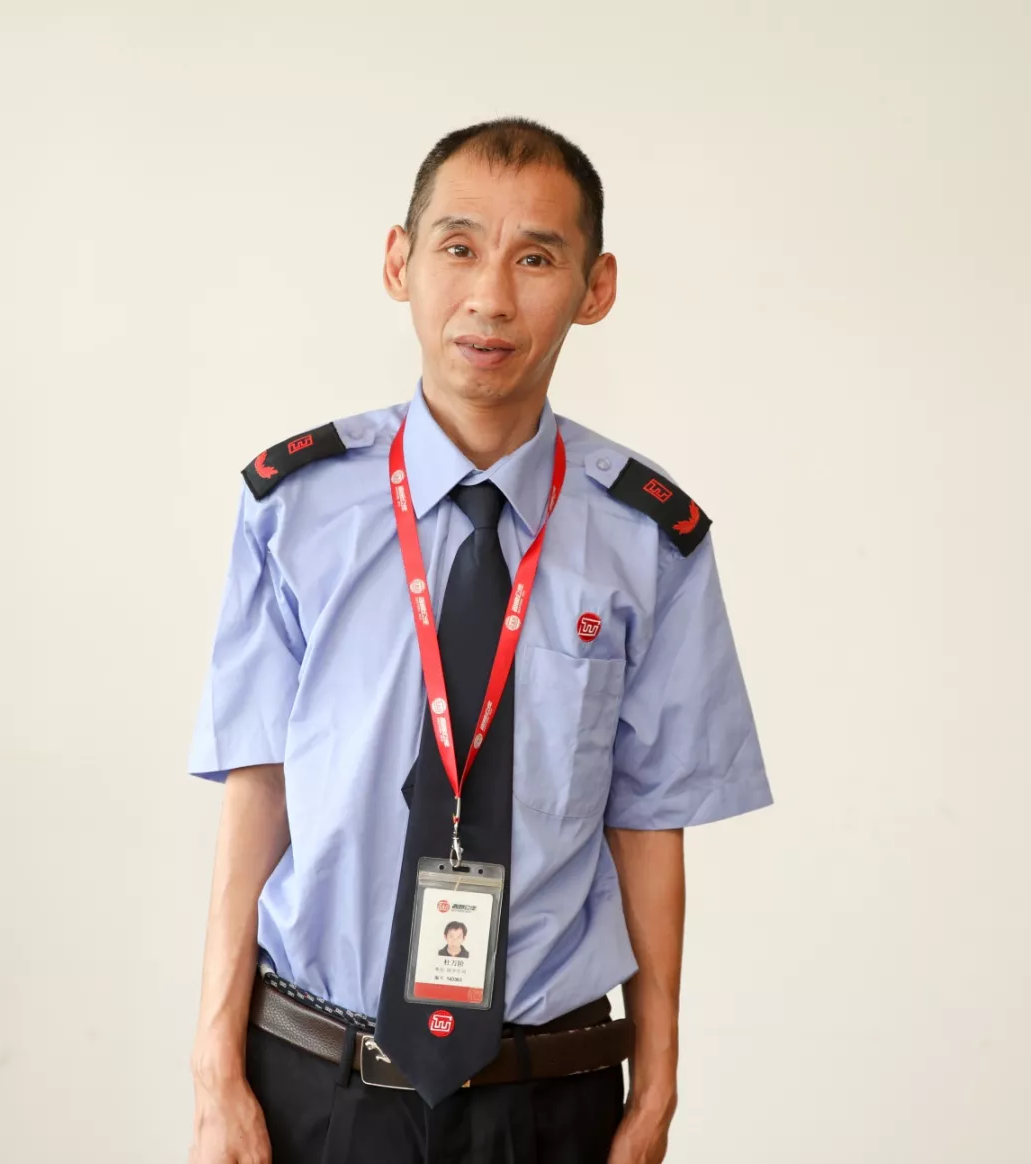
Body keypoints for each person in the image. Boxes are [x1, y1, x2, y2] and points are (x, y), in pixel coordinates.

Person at [187, 116, 773, 1164]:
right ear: (399, 263)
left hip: (547, 1095)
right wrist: (213, 1072)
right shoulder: (294, 508)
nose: (491, 297)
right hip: (316, 1083)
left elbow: (649, 821)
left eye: (536, 258)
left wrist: (657, 1091)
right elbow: (258, 785)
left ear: (595, 288)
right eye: (458, 247)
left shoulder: (649, 540)